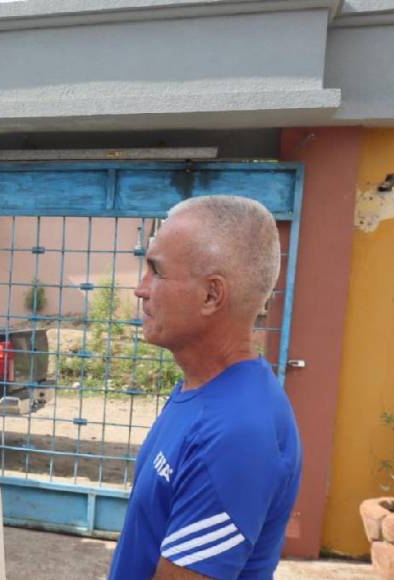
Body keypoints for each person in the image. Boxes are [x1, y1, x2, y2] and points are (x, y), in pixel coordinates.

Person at [107, 196, 302, 579]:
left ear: (212, 295)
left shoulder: (237, 432)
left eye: (156, 272)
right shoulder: (204, 390)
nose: (140, 290)